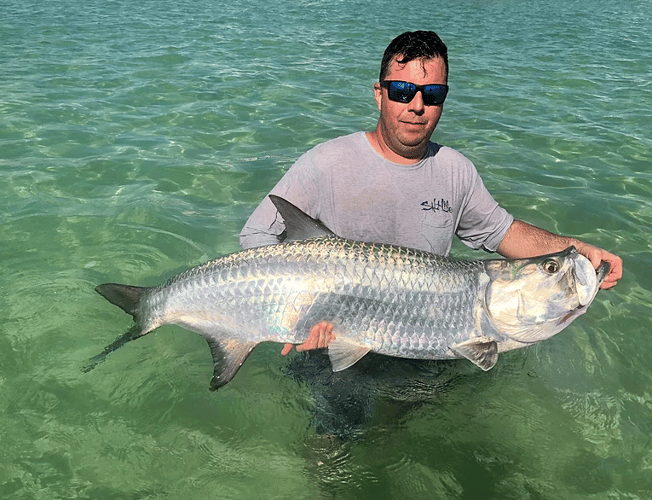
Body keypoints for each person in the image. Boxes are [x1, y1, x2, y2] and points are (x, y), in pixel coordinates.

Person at [239, 30, 623, 357]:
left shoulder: (455, 171)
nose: (417, 106)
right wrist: (292, 311)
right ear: (379, 93)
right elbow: (257, 236)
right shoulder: (325, 163)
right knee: (331, 438)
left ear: (444, 97)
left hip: (428, 340)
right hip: (330, 339)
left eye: (432, 93)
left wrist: (575, 249)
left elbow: (504, 233)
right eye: (403, 91)